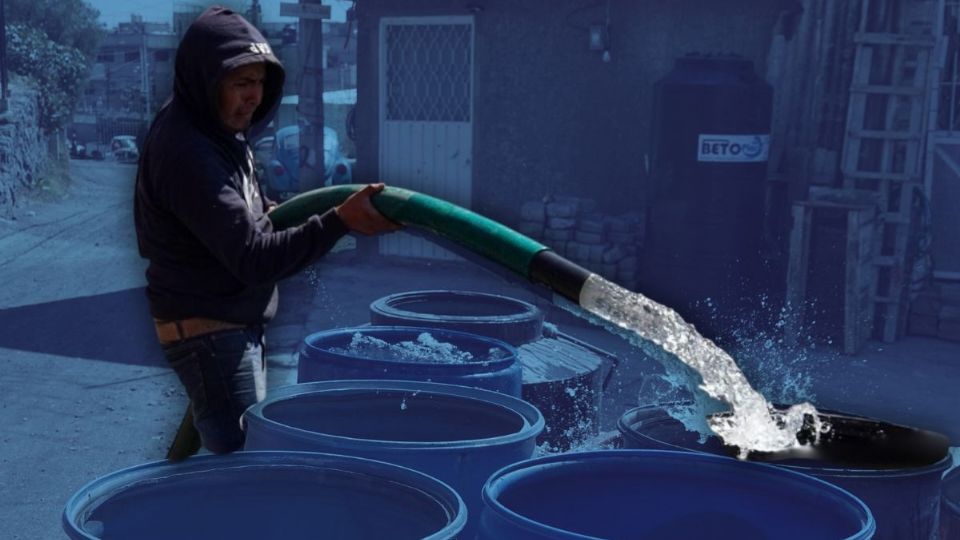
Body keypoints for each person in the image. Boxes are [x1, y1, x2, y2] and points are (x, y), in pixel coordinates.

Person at [134, 6, 399, 457]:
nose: (254, 96)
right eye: (241, 83)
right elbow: (253, 258)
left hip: (227, 325)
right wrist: (339, 221)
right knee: (245, 467)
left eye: (260, 83)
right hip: (210, 335)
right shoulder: (188, 152)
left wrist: (269, 212)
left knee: (240, 460)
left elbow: (234, 220)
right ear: (206, 81)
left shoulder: (214, 128)